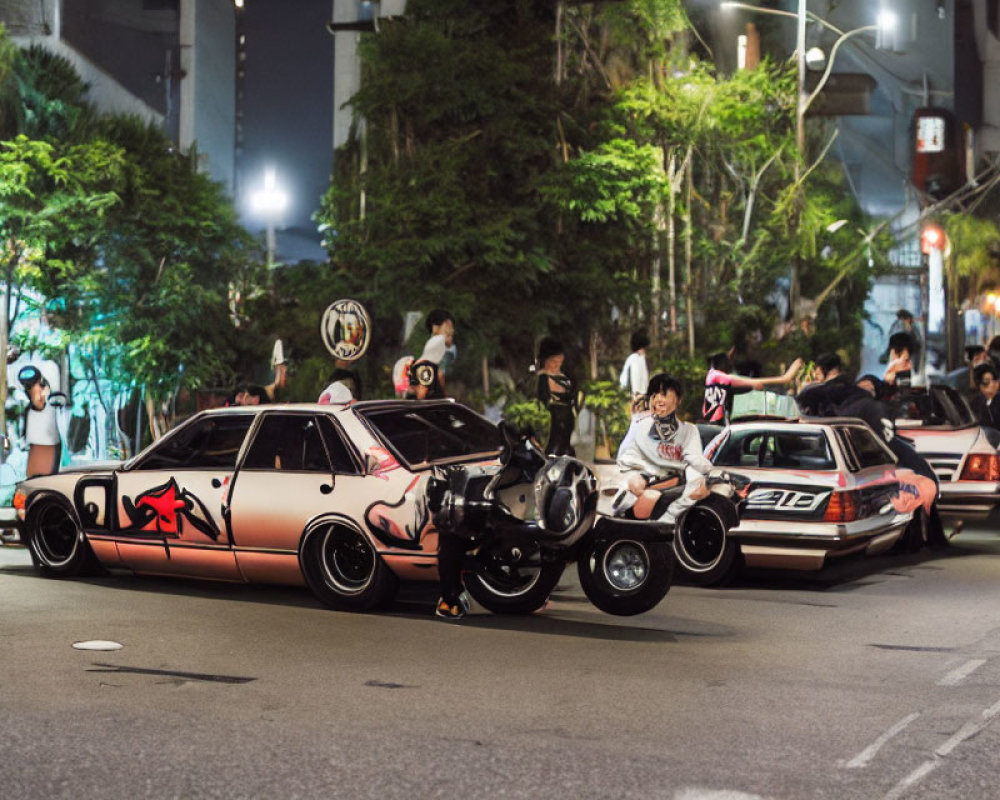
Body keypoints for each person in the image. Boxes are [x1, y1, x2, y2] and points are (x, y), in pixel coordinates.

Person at [613, 373, 713, 527]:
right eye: (653, 396)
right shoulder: (642, 426)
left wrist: (709, 474)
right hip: (646, 483)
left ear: (678, 401)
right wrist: (635, 476)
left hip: (676, 485)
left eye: (664, 395)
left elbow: (695, 461)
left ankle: (662, 525)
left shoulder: (688, 431)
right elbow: (627, 458)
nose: (658, 400)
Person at [701, 351, 803, 425]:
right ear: (722, 364)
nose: (730, 367)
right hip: (717, 427)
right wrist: (786, 377)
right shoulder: (720, 377)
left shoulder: (711, 377)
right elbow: (755, 382)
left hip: (714, 425)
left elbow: (746, 386)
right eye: (728, 364)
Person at [536, 337, 577, 456]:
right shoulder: (542, 378)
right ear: (546, 360)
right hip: (553, 427)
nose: (557, 364)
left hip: (567, 428)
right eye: (553, 361)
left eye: (559, 361)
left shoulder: (564, 378)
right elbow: (543, 401)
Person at [619, 330, 650, 407]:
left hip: (644, 395)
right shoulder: (632, 359)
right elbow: (626, 377)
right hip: (635, 395)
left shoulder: (642, 359)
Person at [970, 362, 1000, 430]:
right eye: (986, 382)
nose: (992, 384)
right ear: (979, 385)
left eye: (994, 380)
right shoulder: (975, 402)